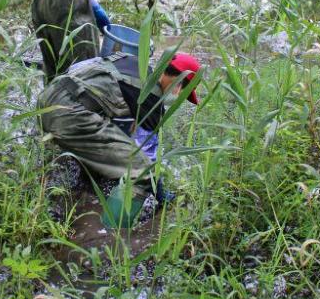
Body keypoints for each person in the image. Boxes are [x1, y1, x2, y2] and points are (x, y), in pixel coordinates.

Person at [38, 51, 202, 226]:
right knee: (139, 171)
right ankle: (112, 232)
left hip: (48, 97)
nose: (178, 95)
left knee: (110, 141)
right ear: (178, 83)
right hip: (66, 116)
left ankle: (87, 186)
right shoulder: (151, 101)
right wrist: (160, 195)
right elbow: (147, 158)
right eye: (183, 90)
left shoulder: (134, 61)